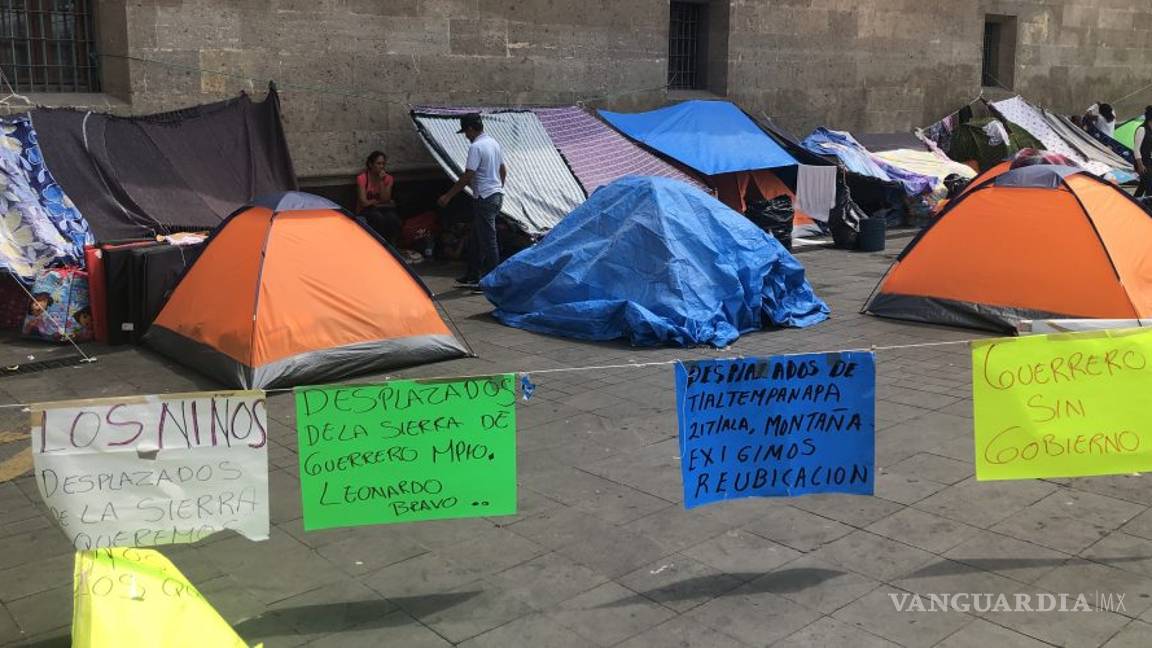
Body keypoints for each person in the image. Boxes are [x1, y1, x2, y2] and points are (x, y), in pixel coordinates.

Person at [437, 113, 506, 288]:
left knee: (488, 241)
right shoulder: (493, 143)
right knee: (476, 238)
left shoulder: (476, 147)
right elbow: (503, 170)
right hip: (495, 196)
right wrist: (499, 187)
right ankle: (472, 275)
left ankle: (491, 282)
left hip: (484, 198)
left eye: (466, 132)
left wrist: (448, 196)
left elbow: (468, 175)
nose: (466, 136)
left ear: (470, 129)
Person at [357, 151, 414, 261]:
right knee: (377, 218)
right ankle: (378, 247)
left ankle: (391, 247)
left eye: (383, 164)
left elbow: (385, 199)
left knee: (393, 219)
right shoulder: (362, 178)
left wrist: (381, 182)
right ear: (371, 164)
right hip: (366, 210)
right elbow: (363, 202)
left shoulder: (388, 179)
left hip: (383, 209)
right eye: (378, 164)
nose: (381, 167)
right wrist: (376, 201)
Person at [1135, 107, 1152, 198]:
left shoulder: (1150, 130)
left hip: (1149, 161)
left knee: (1142, 186)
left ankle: (1134, 201)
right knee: (1149, 187)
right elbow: (1136, 149)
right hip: (1142, 162)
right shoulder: (1142, 129)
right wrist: (1140, 165)